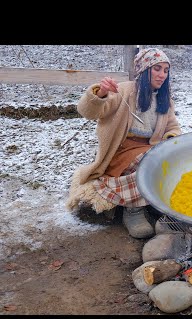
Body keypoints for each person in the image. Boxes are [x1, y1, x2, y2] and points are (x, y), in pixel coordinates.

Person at [66, 48, 182, 239]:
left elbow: (172, 127)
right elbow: (87, 111)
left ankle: (159, 204)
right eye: (157, 69)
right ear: (145, 70)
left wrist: (170, 141)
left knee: (168, 158)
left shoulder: (164, 99)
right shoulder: (123, 90)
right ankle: (132, 210)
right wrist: (101, 93)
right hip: (121, 149)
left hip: (151, 146)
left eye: (166, 70)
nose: (162, 75)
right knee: (149, 160)